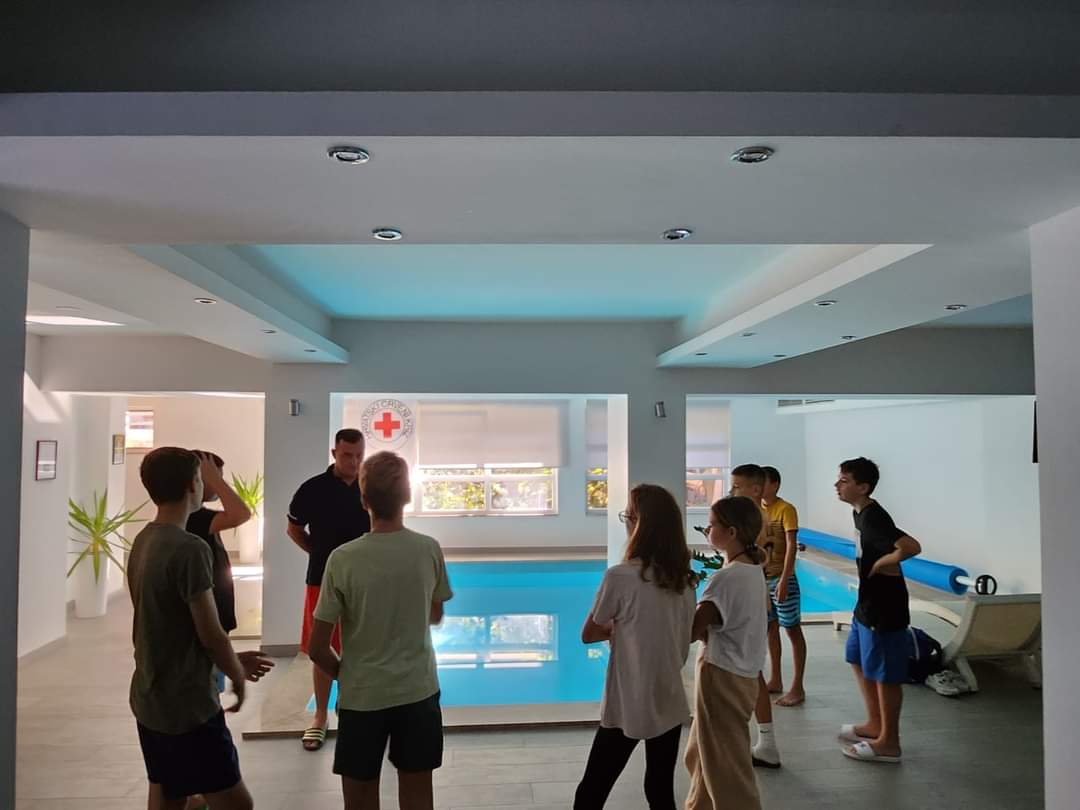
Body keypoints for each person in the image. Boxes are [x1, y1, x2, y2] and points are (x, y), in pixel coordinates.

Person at [128, 448, 273, 810]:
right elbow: (211, 634)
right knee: (237, 804)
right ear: (193, 484)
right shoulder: (189, 548)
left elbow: (170, 626)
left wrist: (230, 659)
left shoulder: (144, 539)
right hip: (188, 706)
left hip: (151, 698)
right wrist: (236, 674)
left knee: (169, 793)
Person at [308, 451, 453, 810]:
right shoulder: (428, 549)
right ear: (408, 496)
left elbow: (317, 647)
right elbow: (435, 615)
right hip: (417, 692)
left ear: (363, 500)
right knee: (418, 797)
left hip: (362, 697)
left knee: (359, 800)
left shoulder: (342, 559)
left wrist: (348, 674)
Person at [574, 484, 697, 810]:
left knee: (592, 790)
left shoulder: (620, 577)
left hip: (630, 697)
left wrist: (620, 627)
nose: (626, 523)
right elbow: (683, 636)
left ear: (639, 525)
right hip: (668, 695)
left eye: (628, 516)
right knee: (659, 789)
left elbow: (589, 633)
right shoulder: (685, 580)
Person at [286, 428, 371, 751]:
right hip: (322, 578)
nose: (354, 462)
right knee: (322, 649)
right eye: (347, 455)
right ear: (334, 453)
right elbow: (294, 529)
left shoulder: (371, 487)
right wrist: (320, 554)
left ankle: (354, 707)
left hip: (366, 580)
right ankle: (320, 716)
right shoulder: (312, 490)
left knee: (363, 645)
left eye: (360, 455)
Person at [835, 457, 922, 764]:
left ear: (863, 487)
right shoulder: (861, 513)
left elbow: (911, 546)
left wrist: (882, 563)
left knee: (886, 675)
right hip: (867, 604)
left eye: (844, 480)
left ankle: (889, 742)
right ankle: (875, 723)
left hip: (885, 608)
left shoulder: (874, 517)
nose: (837, 485)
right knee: (856, 658)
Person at [684, 496, 768, 810]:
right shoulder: (752, 570)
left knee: (727, 767)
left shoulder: (726, 578)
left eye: (712, 525)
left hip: (722, 674)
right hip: (743, 672)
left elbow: (693, 630)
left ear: (732, 532)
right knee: (702, 755)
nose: (707, 530)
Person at [728, 464, 780, 768]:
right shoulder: (754, 518)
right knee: (750, 670)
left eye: (738, 486)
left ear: (756, 489)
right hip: (753, 599)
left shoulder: (755, 521)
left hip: (752, 602)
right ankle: (762, 740)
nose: (732, 490)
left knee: (750, 671)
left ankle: (767, 741)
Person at [186, 452, 252, 676]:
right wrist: (214, 479)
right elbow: (241, 514)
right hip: (207, 625)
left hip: (217, 618)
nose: (218, 483)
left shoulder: (200, 515)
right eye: (214, 477)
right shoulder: (194, 519)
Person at [761, 465, 807, 707]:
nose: (759, 488)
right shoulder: (757, 509)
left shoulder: (786, 509)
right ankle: (775, 679)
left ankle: (797, 687)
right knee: (771, 628)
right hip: (763, 579)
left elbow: (791, 545)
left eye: (763, 483)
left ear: (775, 484)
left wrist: (784, 579)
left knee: (792, 629)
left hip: (781, 578)